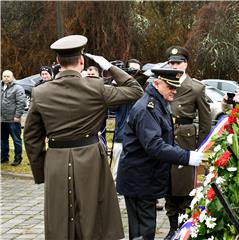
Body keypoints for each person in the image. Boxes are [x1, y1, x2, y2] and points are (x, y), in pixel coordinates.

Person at [24, 35, 144, 240]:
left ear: (58, 62)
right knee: (92, 212)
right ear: (81, 61)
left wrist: (42, 170)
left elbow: (31, 137)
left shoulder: (40, 92)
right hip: (90, 157)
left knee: (59, 214)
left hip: (56, 159)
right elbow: (135, 90)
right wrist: (109, 67)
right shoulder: (96, 87)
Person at [116, 68, 204, 240]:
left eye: (175, 87)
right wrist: (185, 157)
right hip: (139, 179)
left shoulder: (157, 103)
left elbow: (165, 137)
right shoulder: (147, 108)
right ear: (156, 83)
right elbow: (154, 145)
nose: (174, 91)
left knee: (145, 228)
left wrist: (177, 154)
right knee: (143, 230)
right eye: (170, 86)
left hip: (146, 178)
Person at [164, 46, 212, 239]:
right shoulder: (164, 83)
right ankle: (172, 226)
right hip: (166, 137)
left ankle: (185, 227)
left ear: (185, 64)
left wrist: (199, 147)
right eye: (172, 62)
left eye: (178, 62)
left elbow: (206, 122)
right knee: (168, 185)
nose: (174, 66)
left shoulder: (196, 87)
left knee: (184, 187)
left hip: (186, 140)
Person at [111, 58, 142, 182]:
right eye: (131, 70)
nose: (134, 73)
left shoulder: (145, 88)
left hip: (140, 136)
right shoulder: (120, 88)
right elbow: (112, 107)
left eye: (137, 71)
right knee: (117, 171)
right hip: (122, 134)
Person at [1, 70, 26, 166]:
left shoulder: (18, 88)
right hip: (2, 119)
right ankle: (4, 158)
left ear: (12, 77)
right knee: (3, 140)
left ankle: (18, 158)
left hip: (13, 120)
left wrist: (17, 116)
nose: (6, 78)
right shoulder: (0, 86)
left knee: (16, 140)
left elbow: (21, 103)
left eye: (8, 76)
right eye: (4, 76)